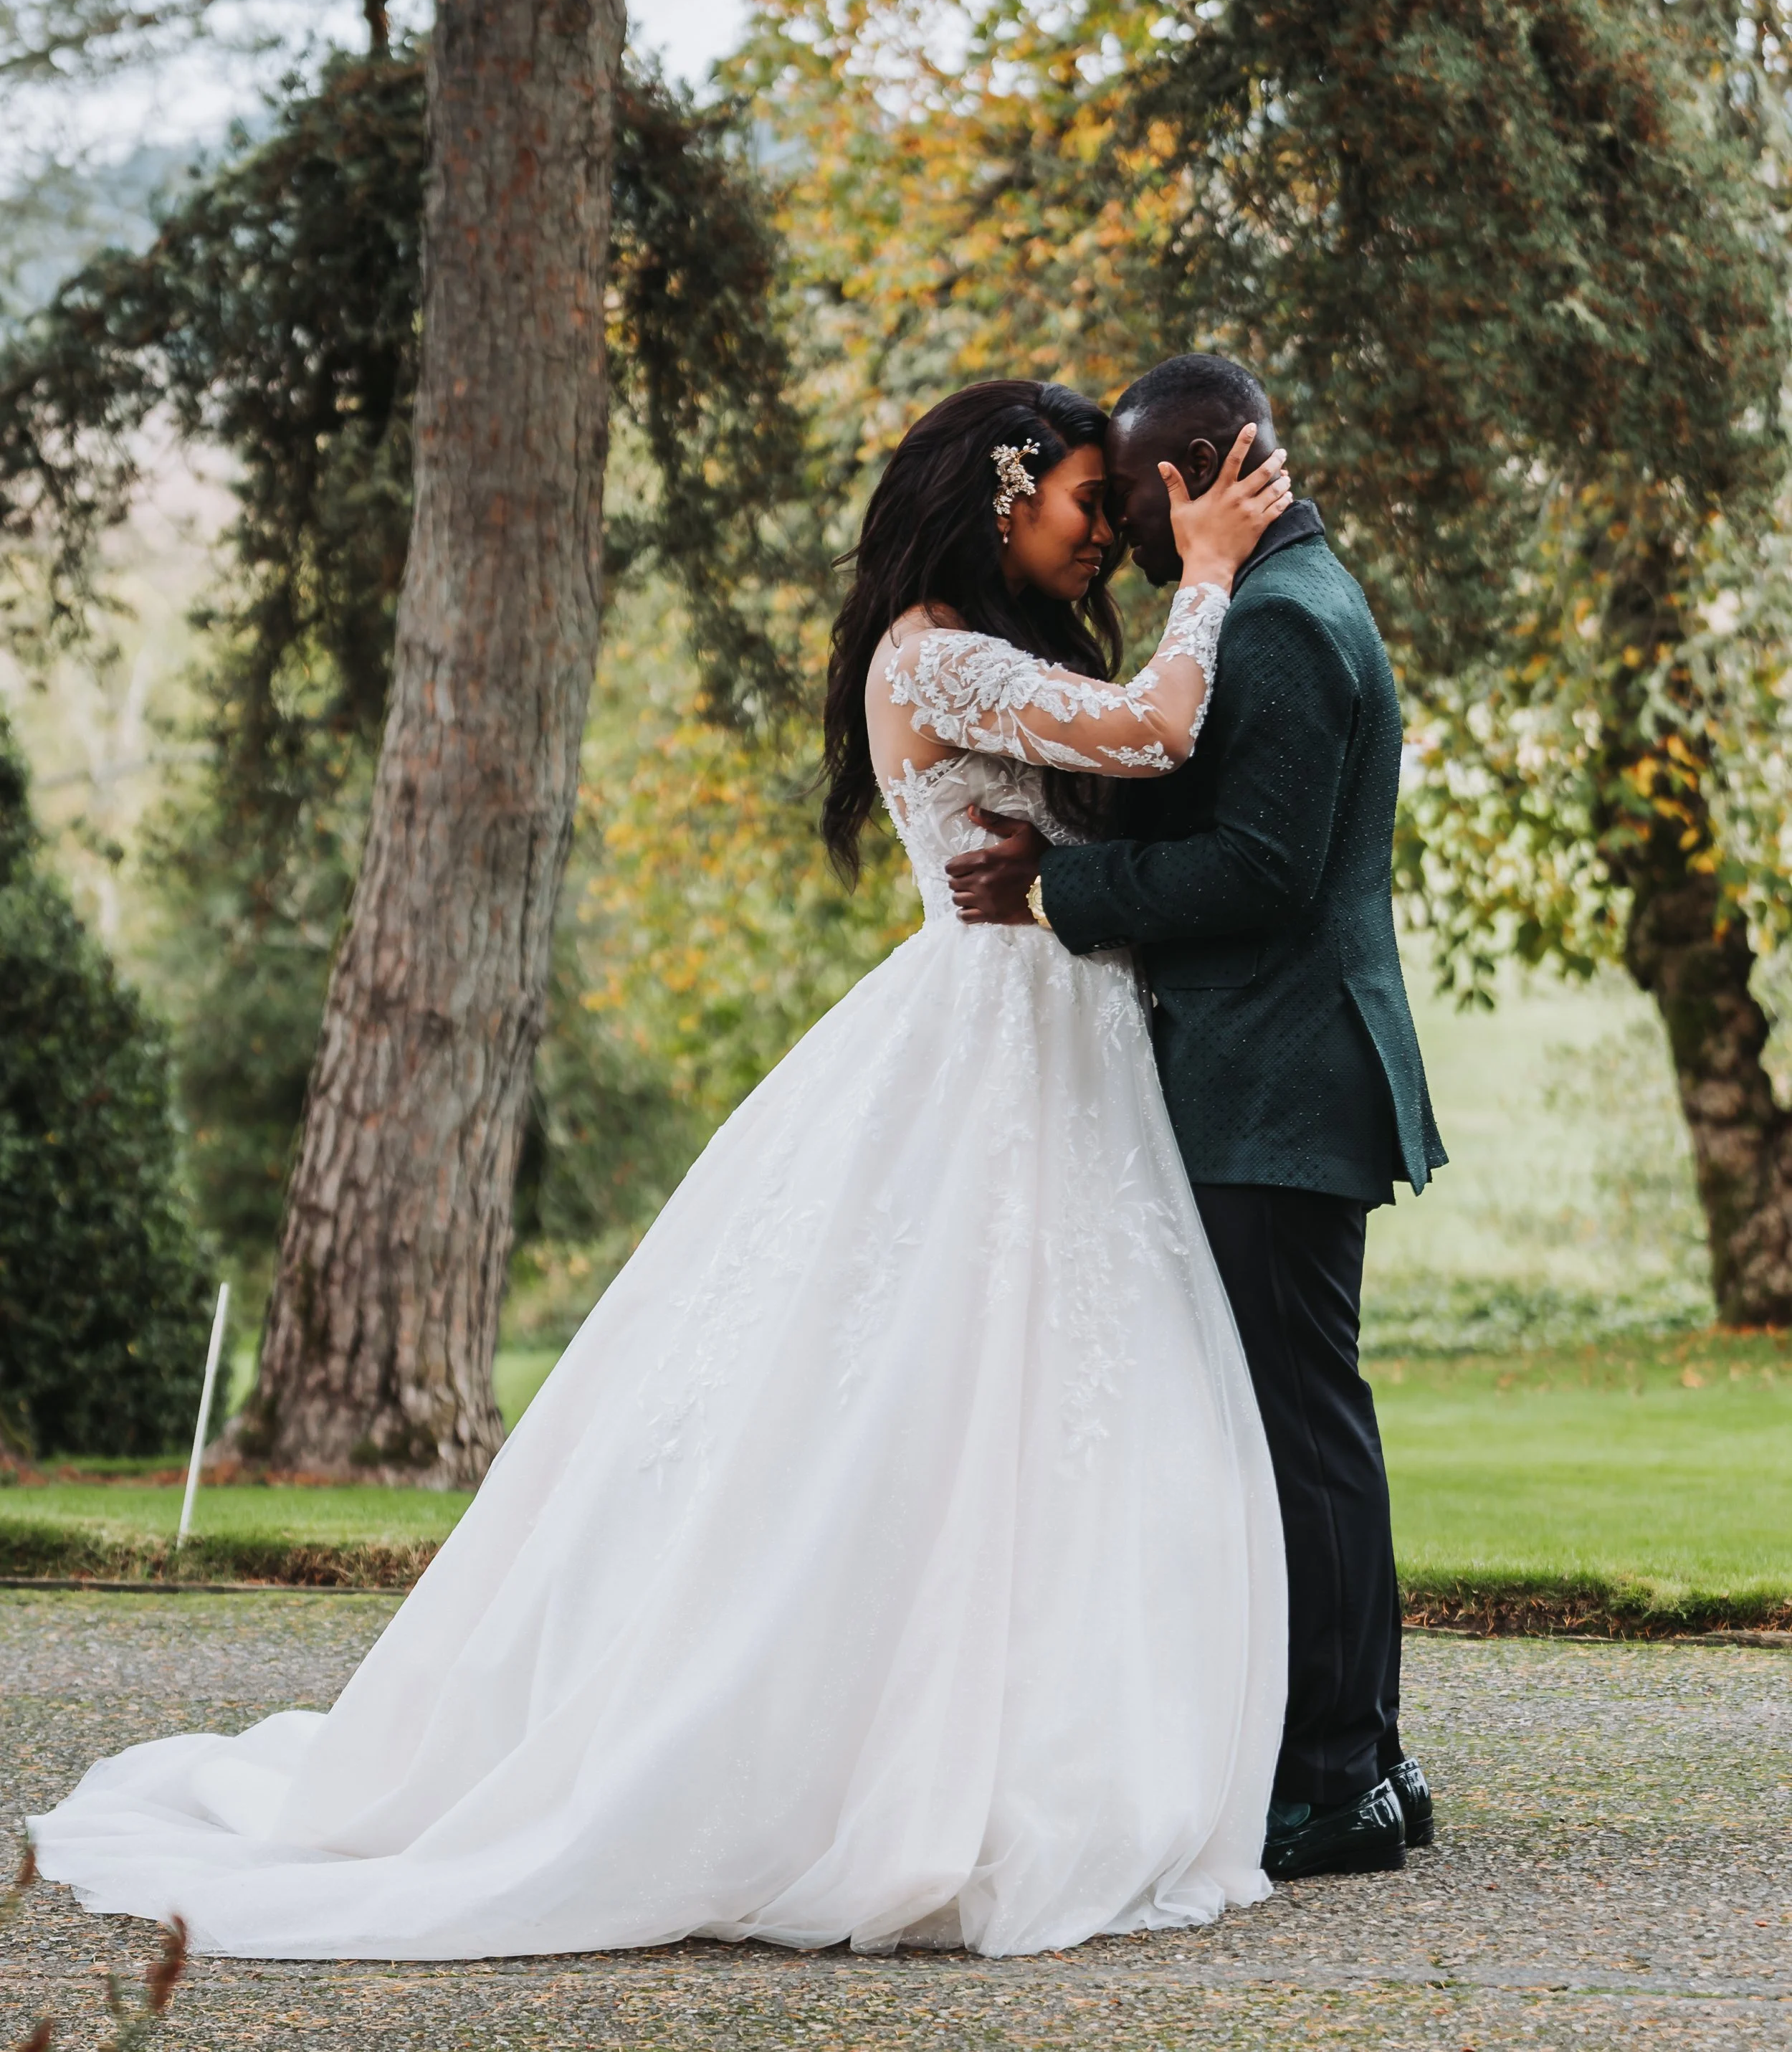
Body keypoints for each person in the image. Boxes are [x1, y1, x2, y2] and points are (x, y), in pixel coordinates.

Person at [31, 379, 1297, 1961]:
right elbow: (1157, 726)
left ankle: (1070, 1740)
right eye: (1085, 506)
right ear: (1000, 494)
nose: (1105, 535)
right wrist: (1212, 569)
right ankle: (855, 1765)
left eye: (1119, 514)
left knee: (1063, 1397)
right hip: (984, 1046)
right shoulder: (931, 652)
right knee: (926, 1388)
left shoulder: (1016, 652)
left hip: (1068, 1040)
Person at [947, 353, 1448, 1879]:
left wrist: (1057, 885)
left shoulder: (1286, 624)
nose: (1138, 540)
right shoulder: (1296, 593)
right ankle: (1366, 1750)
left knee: (1297, 1431)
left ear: (1189, 476)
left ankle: (1341, 1772)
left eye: (1136, 499)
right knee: (1305, 1421)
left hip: (1277, 1075)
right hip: (1273, 1069)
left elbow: (1260, 871)